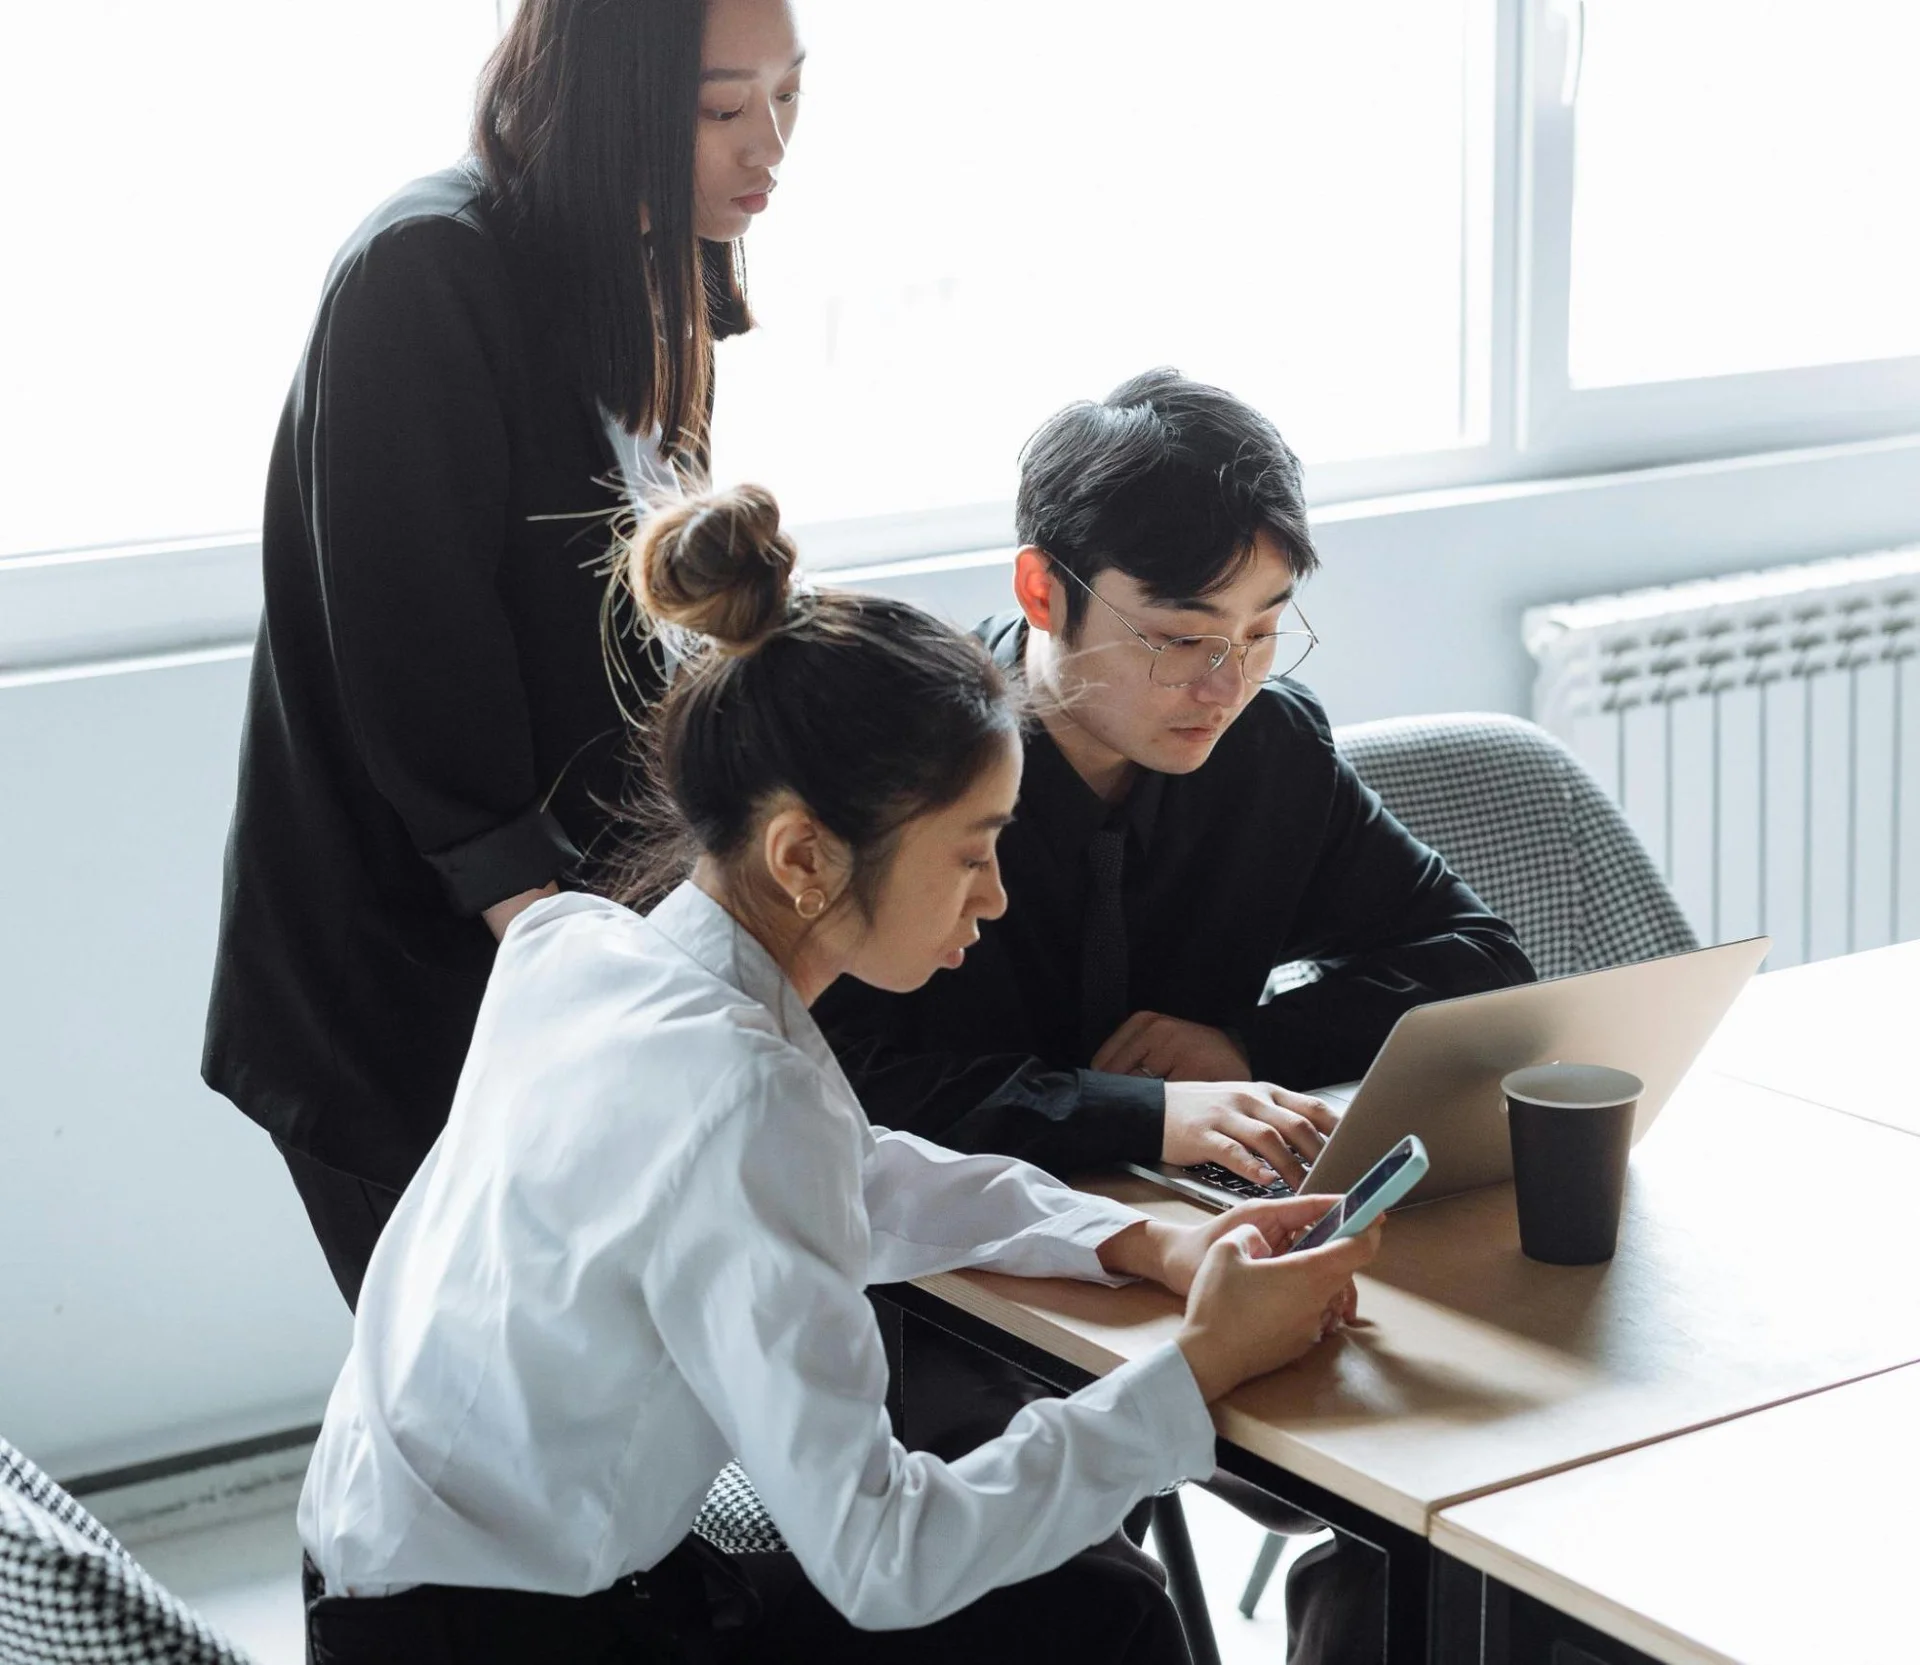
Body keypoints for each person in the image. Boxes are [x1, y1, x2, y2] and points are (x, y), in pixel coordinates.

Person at [295, 484, 1385, 1664]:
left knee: (1090, 1604)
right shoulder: (740, 1092)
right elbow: (885, 1559)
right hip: (500, 1640)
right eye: (973, 852)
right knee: (1098, 1622)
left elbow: (855, 1175)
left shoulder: (582, 949)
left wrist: (1138, 1243)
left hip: (391, 1583)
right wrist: (1203, 1362)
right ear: (805, 857)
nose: (996, 897)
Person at [815, 368, 1537, 1662]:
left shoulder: (1268, 755)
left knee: (1483, 1499)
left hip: (1200, 1263)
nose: (1225, 681)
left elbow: (1480, 958)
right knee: (1082, 1606)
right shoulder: (906, 769)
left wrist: (1248, 1049)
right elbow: (848, 1093)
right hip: (929, 1295)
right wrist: (1144, 1111)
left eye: (1263, 631)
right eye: (1179, 636)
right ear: (1042, 591)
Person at [202, 0, 806, 1308]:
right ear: (612, 95)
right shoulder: (424, 273)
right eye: (721, 108)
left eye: (788, 96)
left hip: (573, 953)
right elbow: (415, 660)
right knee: (468, 1399)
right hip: (409, 976)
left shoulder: (663, 259)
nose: (768, 145)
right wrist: (574, 969)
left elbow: (632, 622)